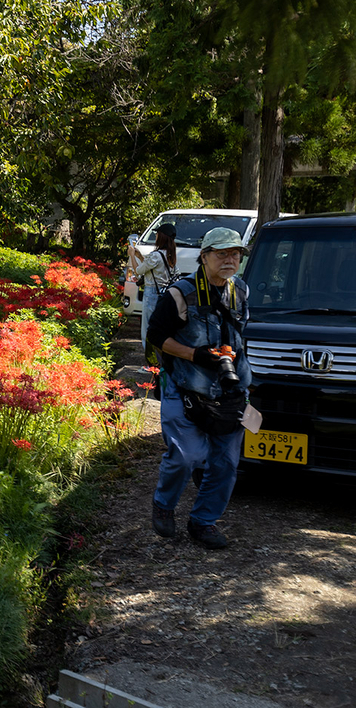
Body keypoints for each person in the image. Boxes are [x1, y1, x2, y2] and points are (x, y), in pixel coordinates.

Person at [146, 226, 251, 549]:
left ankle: (203, 522)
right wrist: (196, 355)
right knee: (186, 455)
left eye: (234, 254)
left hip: (229, 389)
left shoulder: (240, 291)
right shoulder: (180, 293)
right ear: (204, 257)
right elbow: (157, 338)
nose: (229, 260)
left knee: (226, 463)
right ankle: (164, 504)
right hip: (184, 385)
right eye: (221, 254)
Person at [129, 222, 178, 353]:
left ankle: (150, 363)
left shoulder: (156, 255)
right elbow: (151, 266)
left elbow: (138, 270)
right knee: (160, 328)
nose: (156, 236)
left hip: (151, 294)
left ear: (161, 237)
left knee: (148, 329)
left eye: (157, 234)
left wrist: (132, 255)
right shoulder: (170, 254)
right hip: (164, 294)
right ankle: (160, 361)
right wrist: (140, 256)